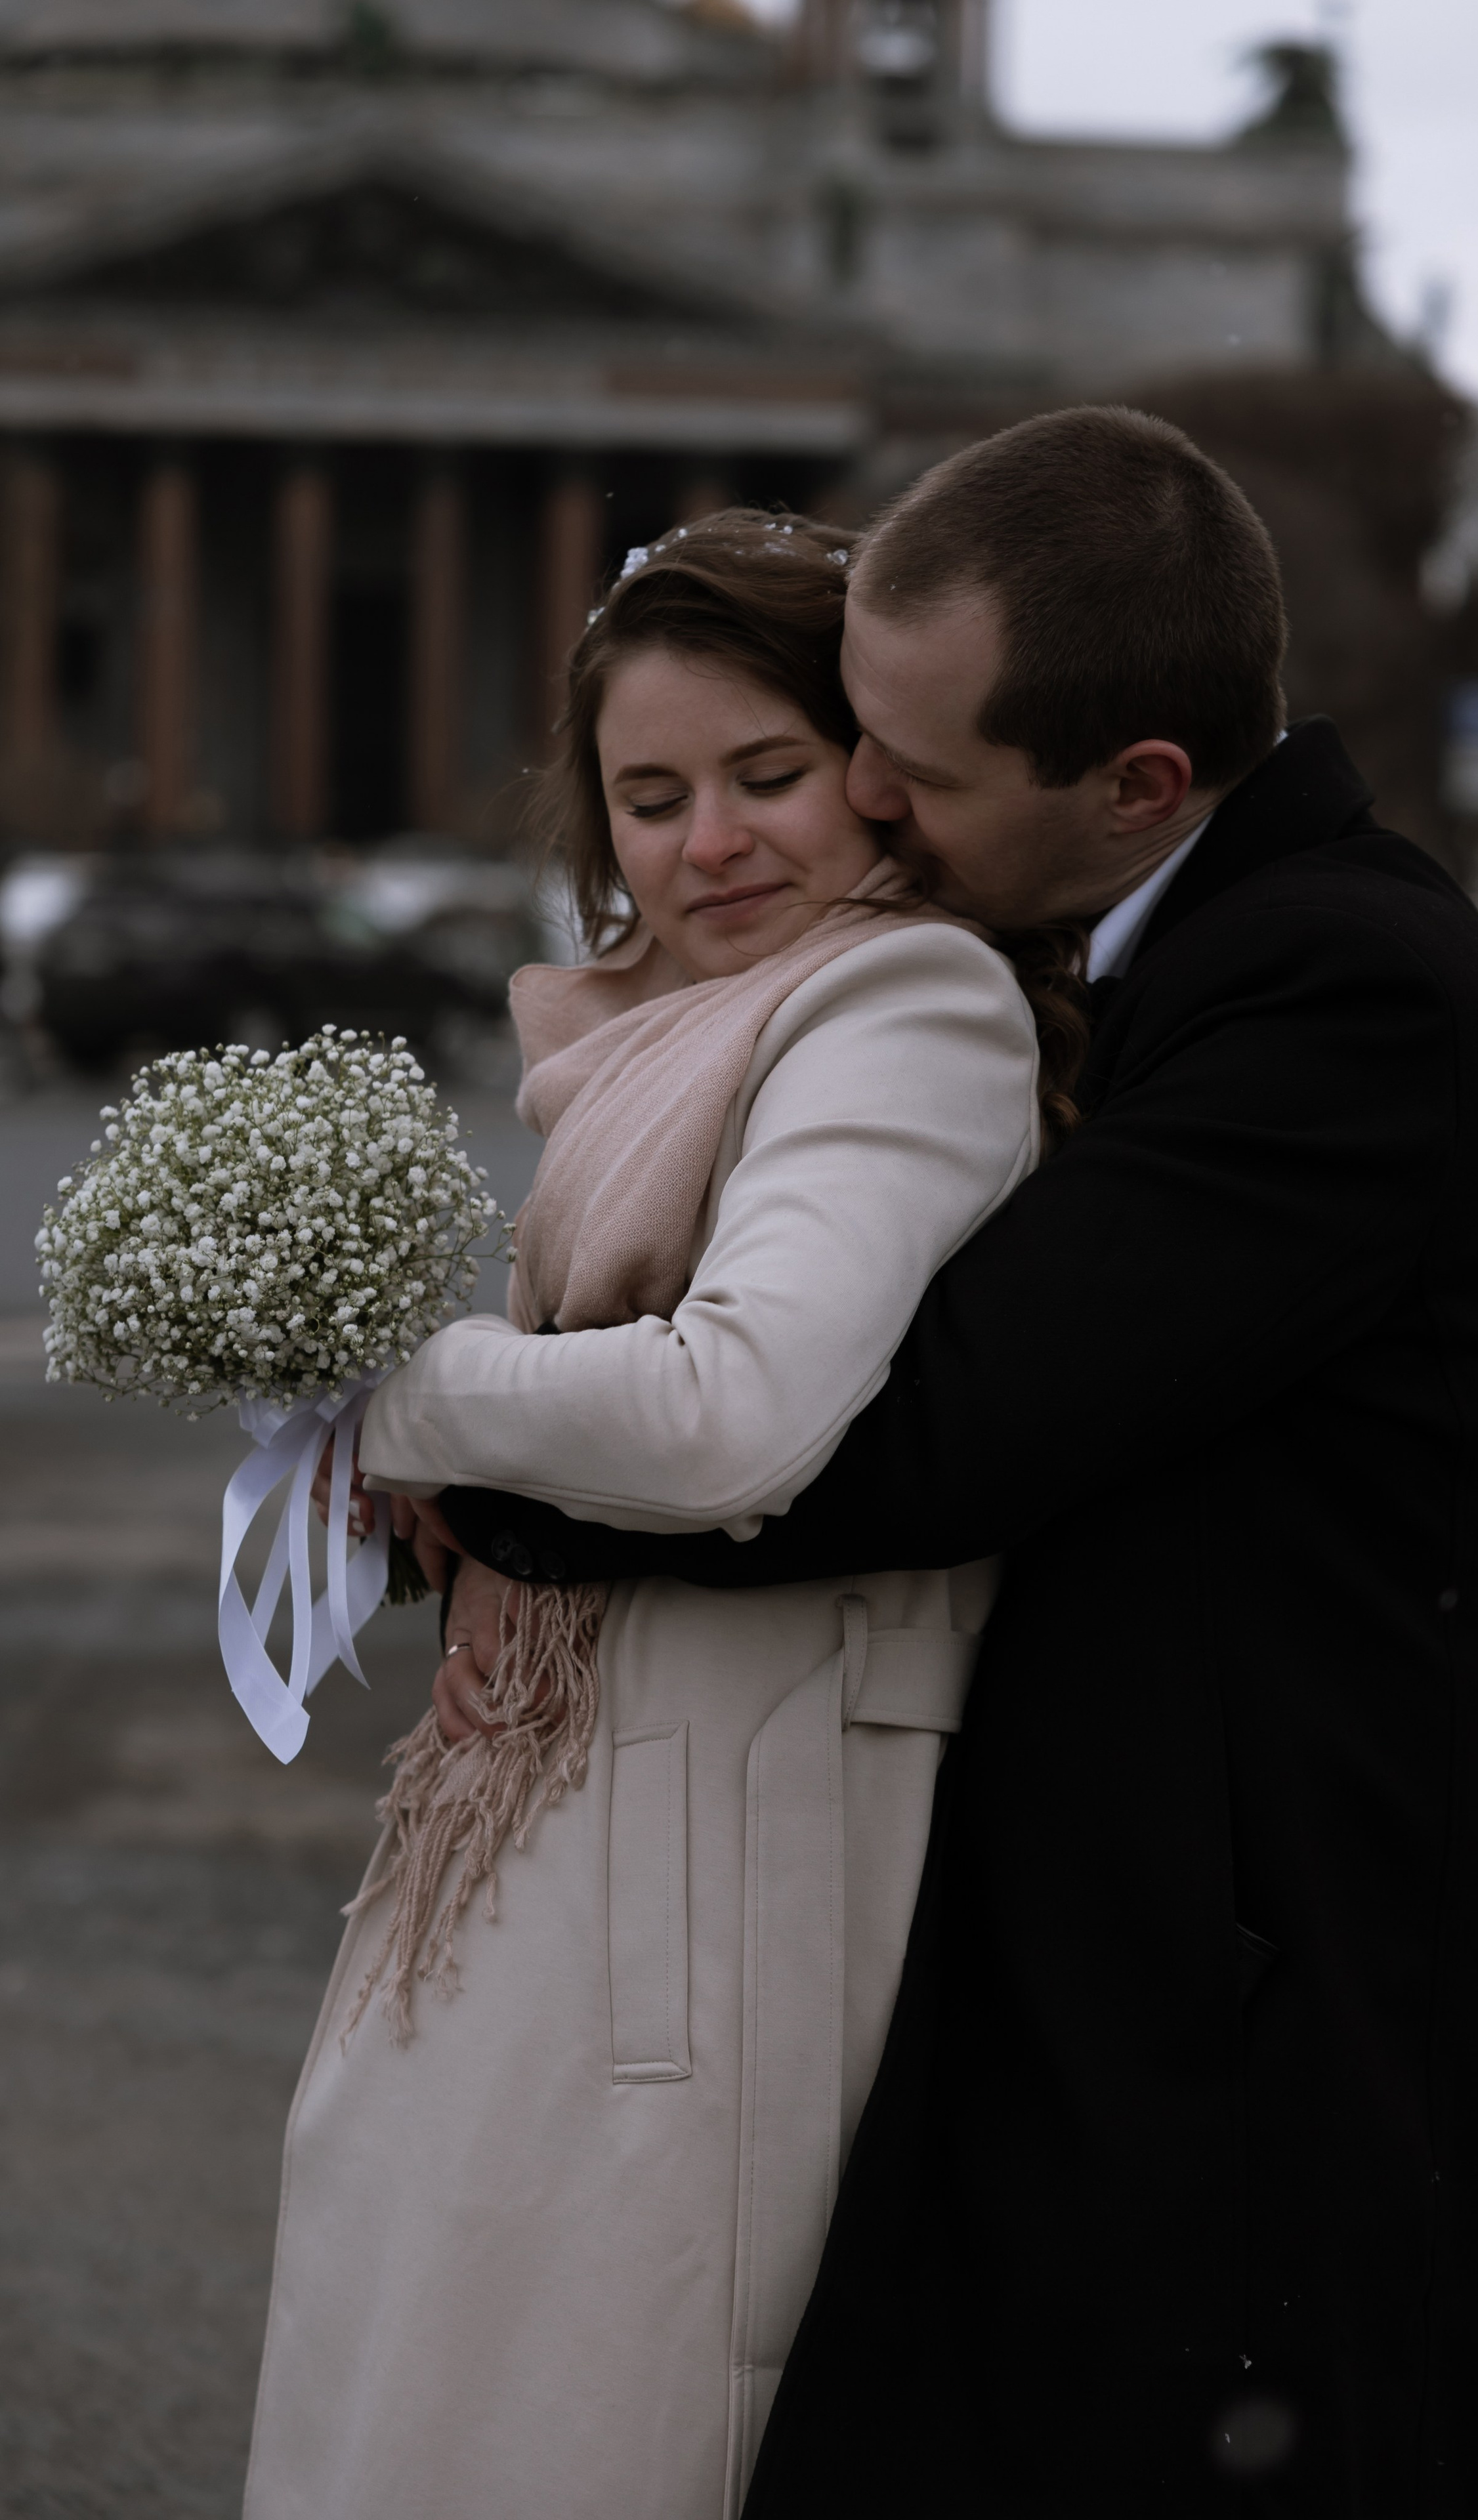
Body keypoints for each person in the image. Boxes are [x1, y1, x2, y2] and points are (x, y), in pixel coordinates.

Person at [413, 410, 1478, 2515]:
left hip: (1259, 1993)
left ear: (1139, 786)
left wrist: (469, 1444)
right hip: (1145, 1957)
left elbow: (934, 1434)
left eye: (912, 764)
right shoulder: (1179, 952)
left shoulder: (1342, 992)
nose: (864, 796)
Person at [242, 513, 1063, 2520]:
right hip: (571, 1797)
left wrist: (401, 1401)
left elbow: (730, 1413)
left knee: (580, 2411)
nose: (710, 846)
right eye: (652, 799)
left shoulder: (907, 1008)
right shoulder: (656, 1045)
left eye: (765, 778)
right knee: (443, 2369)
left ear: (876, 770)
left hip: (724, 1840)